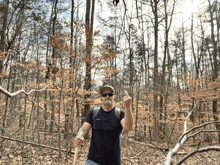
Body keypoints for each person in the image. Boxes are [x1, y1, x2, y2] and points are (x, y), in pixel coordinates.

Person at [74, 85, 133, 165]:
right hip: (93, 160)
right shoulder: (93, 113)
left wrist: (127, 107)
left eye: (110, 94)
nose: (107, 96)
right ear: (101, 98)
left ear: (114, 97)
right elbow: (84, 129)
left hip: (113, 162)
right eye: (104, 95)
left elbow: (128, 127)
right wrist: (79, 136)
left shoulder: (120, 114)